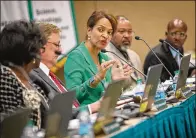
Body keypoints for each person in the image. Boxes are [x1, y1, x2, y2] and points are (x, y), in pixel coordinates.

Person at [29, 22, 102, 116]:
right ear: (40, 47)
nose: (60, 50)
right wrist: (91, 108)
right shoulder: (33, 77)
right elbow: (53, 116)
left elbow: (72, 106)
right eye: (57, 44)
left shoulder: (49, 75)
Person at [64, 11, 132, 106]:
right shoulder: (75, 57)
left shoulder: (105, 57)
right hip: (86, 117)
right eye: (101, 30)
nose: (105, 35)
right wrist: (95, 79)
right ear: (89, 30)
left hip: (106, 113)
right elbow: (72, 98)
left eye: (109, 32)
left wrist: (115, 82)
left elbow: (108, 97)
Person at [0, 20, 47, 128]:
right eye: (40, 48)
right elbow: (12, 128)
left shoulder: (32, 80)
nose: (41, 53)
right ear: (30, 52)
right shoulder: (5, 80)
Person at [105, 15, 143, 89]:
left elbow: (142, 81)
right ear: (111, 33)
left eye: (130, 32)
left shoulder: (134, 55)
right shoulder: (106, 55)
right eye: (121, 31)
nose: (127, 35)